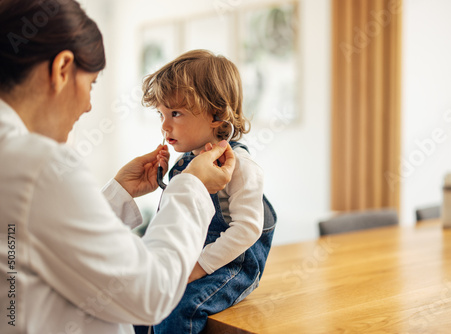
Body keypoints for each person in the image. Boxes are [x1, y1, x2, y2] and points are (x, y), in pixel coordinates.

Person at [0, 1, 235, 333]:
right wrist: (192, 186)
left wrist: (117, 195)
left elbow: (46, 241)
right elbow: (151, 294)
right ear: (62, 68)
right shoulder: (39, 166)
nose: (88, 105)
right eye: (92, 84)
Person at [136, 49, 277, 334]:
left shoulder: (241, 167)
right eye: (161, 114)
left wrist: (197, 267)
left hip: (233, 263)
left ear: (216, 114)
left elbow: (248, 229)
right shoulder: (186, 162)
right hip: (191, 254)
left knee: (181, 308)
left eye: (175, 113)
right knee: (141, 299)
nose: (165, 125)